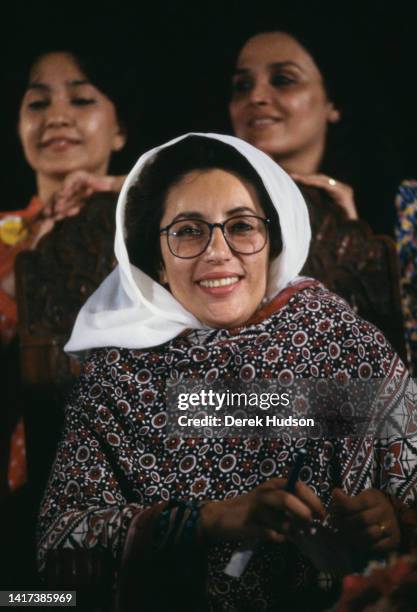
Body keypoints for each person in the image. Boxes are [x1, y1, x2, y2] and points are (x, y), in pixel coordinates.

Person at [38, 134, 416, 611]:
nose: (218, 251)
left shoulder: (338, 340)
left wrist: (393, 520)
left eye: (241, 227)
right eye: (189, 231)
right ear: (155, 255)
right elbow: (56, 551)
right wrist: (207, 521)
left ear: (271, 240)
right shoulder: (118, 375)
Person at [0, 49, 126, 495]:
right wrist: (36, 247)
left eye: (81, 100)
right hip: (27, 477)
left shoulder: (160, 224)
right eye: (37, 103)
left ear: (119, 131)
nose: (56, 116)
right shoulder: (4, 234)